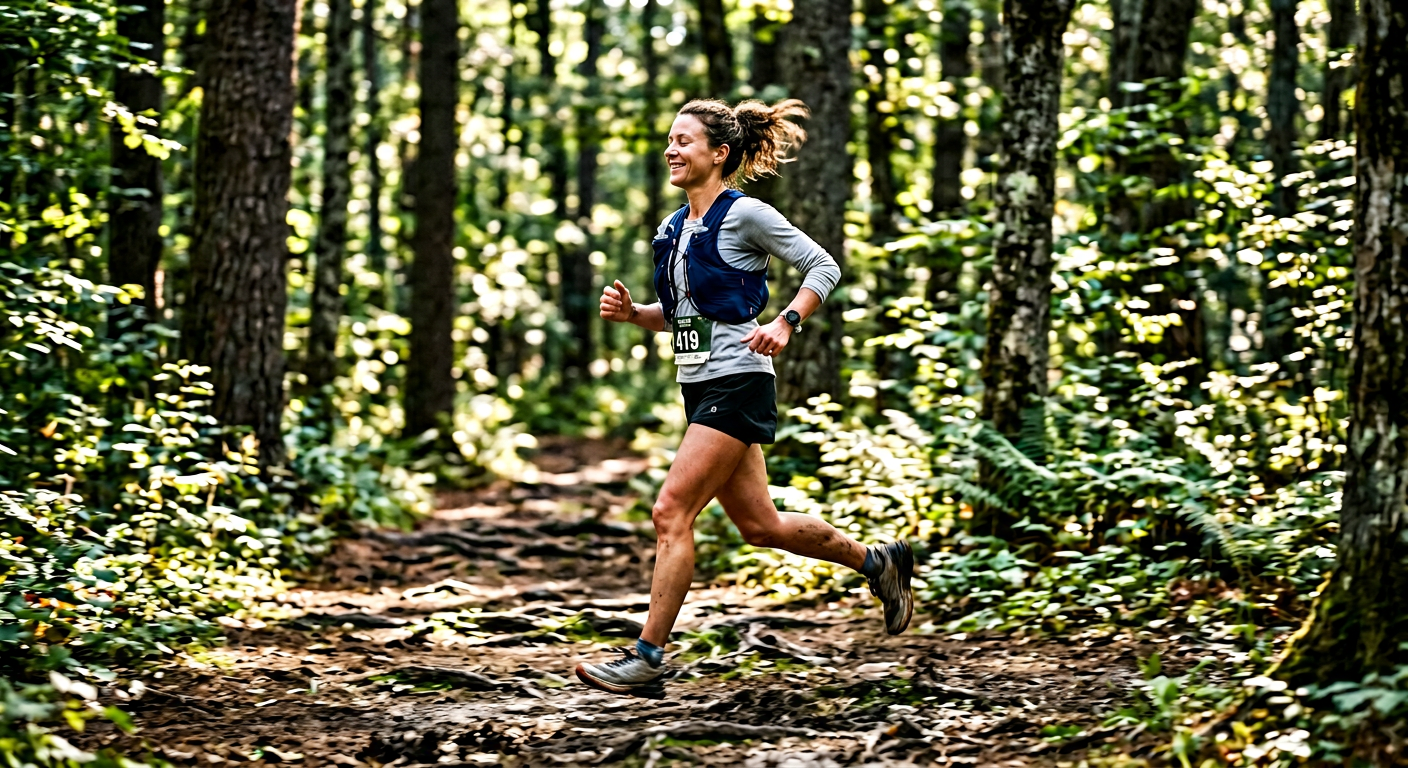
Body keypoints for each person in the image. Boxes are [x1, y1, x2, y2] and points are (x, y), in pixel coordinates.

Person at [575, 98, 913, 695]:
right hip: (699, 384)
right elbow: (682, 316)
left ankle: (646, 660)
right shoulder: (673, 229)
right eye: (670, 141)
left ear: (719, 153)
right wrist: (635, 316)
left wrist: (785, 321)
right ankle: (878, 563)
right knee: (762, 525)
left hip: (739, 381)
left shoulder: (746, 214)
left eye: (684, 141)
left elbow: (822, 266)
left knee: (670, 512)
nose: (671, 151)